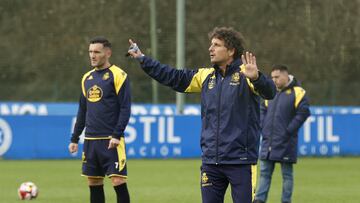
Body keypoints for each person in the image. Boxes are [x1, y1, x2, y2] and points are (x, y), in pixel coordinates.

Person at [127, 27, 276, 203]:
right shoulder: (205, 76)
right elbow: (172, 77)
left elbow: (270, 92)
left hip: (240, 161)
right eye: (211, 44)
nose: (210, 49)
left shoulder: (246, 74)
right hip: (211, 162)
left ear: (230, 51)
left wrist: (257, 77)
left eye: (216, 45)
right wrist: (143, 59)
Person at [69, 36, 131, 203]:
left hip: (111, 139)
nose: (92, 55)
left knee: (118, 180)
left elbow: (125, 108)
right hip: (90, 140)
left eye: (97, 52)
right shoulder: (86, 78)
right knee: (94, 182)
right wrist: (75, 138)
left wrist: (117, 134)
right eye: (90, 52)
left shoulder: (118, 75)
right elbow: (82, 110)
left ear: (108, 53)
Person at [253, 65, 310, 203]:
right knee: (264, 174)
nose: (274, 80)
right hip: (268, 141)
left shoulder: (298, 92)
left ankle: (286, 201)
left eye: (277, 77)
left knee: (287, 175)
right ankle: (259, 200)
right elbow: (262, 109)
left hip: (286, 141)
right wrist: (263, 127)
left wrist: (288, 131)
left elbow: (303, 112)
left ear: (286, 75)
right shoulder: (270, 92)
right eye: (272, 77)